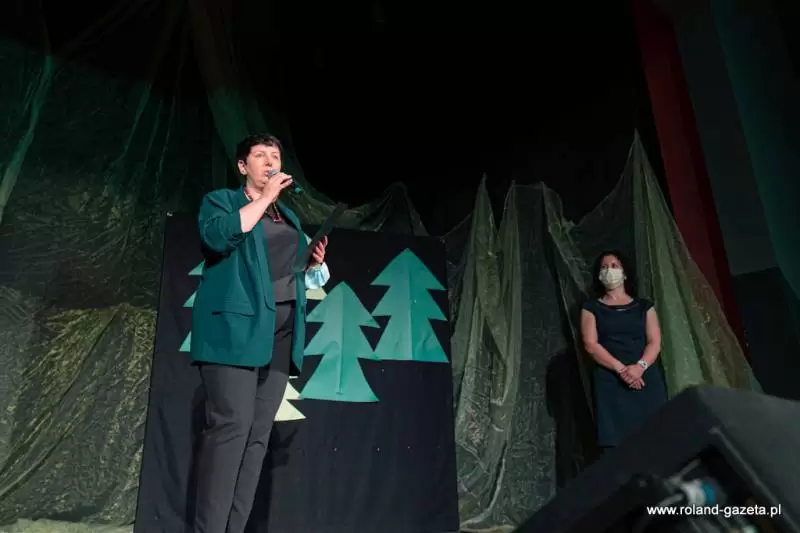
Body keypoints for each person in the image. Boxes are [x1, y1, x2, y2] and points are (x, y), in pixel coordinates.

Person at [189, 133, 330, 533]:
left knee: (256, 436)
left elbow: (288, 272)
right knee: (231, 430)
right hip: (234, 333)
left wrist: (311, 264)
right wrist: (264, 197)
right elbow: (217, 239)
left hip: (279, 336)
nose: (270, 162)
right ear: (242, 166)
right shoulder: (222, 201)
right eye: (261, 155)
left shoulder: (288, 219)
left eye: (276, 156)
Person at [579, 250, 668, 450]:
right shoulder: (590, 308)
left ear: (625, 273)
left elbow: (654, 341)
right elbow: (591, 344)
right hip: (610, 381)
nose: (609, 271)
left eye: (614, 266)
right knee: (617, 445)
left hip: (645, 378)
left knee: (657, 440)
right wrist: (622, 370)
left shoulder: (644, 306)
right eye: (604, 267)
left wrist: (639, 367)